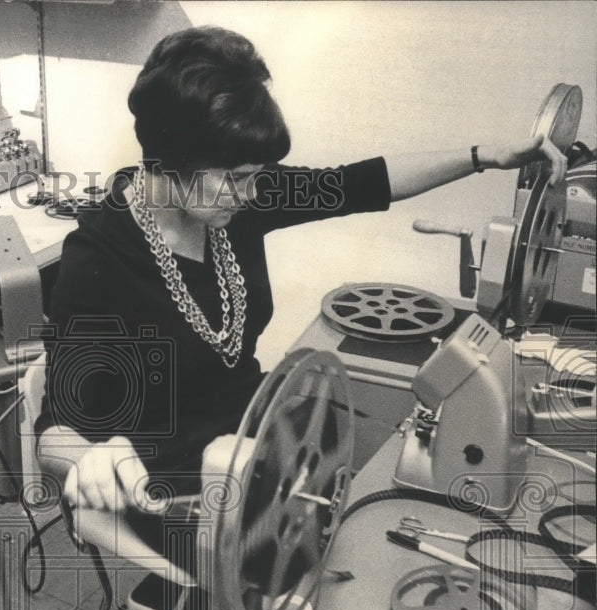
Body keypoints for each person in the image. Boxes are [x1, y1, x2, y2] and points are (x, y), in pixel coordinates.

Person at [34, 27, 568, 533]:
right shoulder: (98, 259)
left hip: (256, 442)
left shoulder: (235, 196)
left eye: (257, 177)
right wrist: (87, 459)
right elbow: (53, 430)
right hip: (170, 489)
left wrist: (483, 157)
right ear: (170, 160)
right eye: (237, 179)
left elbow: (358, 183)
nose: (251, 194)